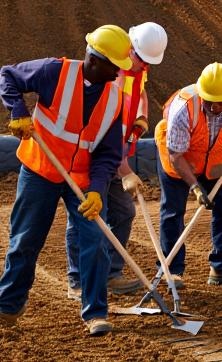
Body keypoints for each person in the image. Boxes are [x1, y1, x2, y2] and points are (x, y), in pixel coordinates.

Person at [0, 26, 132, 336]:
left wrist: (97, 191)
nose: (118, 73)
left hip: (82, 179)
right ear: (95, 60)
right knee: (26, 239)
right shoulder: (54, 71)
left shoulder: (114, 99)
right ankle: (8, 307)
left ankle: (95, 313)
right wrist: (18, 110)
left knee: (96, 240)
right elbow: (9, 76)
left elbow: (107, 154)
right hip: (41, 169)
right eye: (115, 66)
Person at [64, 22, 168, 300]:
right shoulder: (111, 75)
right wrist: (126, 172)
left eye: (149, 62)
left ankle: (110, 274)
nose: (145, 66)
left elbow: (141, 92)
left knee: (124, 213)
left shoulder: (138, 71)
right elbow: (106, 137)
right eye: (142, 59)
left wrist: (142, 115)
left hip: (117, 151)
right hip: (95, 155)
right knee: (86, 217)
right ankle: (77, 279)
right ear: (129, 49)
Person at [154, 62, 222, 289]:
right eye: (210, 101)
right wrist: (195, 187)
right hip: (181, 161)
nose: (214, 106)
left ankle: (221, 269)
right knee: (173, 212)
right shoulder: (183, 108)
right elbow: (175, 155)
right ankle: (171, 271)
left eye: (220, 102)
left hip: (216, 161)